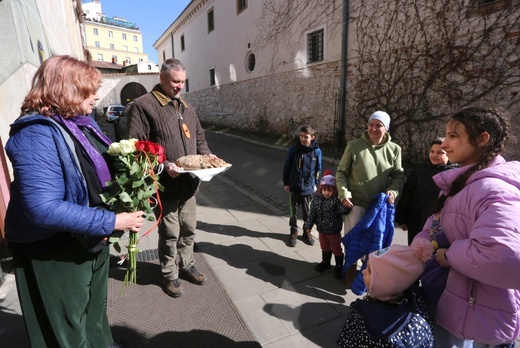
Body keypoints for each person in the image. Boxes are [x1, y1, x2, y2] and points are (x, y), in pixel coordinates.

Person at [4, 55, 145, 348]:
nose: (96, 95)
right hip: (56, 248)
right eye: (89, 89)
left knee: (92, 314)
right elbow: (43, 208)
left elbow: (94, 172)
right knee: (67, 327)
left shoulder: (79, 123)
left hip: (87, 238)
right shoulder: (36, 132)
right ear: (65, 89)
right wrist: (113, 221)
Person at [414, 107, 520, 347]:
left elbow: (505, 257)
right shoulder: (464, 181)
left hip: (474, 307)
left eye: (453, 136)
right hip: (454, 299)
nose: (444, 144)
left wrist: (450, 256)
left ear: (482, 140)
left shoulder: (492, 190)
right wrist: (422, 241)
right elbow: (441, 221)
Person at [126, 58, 219, 298]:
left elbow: (199, 138)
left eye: (182, 82)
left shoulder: (186, 108)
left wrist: (208, 158)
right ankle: (169, 274)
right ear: (162, 79)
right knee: (170, 232)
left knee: (188, 228)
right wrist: (162, 164)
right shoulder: (143, 105)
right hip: (164, 186)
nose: (179, 86)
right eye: (175, 81)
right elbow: (136, 145)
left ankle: (186, 263)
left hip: (188, 184)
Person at [336, 111, 405, 282]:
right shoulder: (354, 146)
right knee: (353, 242)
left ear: (386, 128)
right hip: (355, 203)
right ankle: (350, 274)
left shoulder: (395, 149)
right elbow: (341, 173)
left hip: (378, 208)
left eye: (378, 125)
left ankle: (367, 279)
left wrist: (393, 190)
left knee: (374, 246)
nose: (373, 128)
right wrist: (344, 193)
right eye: (371, 124)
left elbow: (398, 175)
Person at [337, 239, 435, 347]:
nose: (363, 272)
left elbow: (346, 342)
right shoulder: (416, 302)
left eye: (370, 270)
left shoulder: (364, 319)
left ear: (384, 283)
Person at [395, 137, 456, 245]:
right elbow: (407, 193)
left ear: (449, 154)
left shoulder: (454, 174)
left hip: (440, 224)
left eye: (440, 152)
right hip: (416, 219)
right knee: (415, 251)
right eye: (432, 151)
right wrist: (402, 217)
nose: (434, 155)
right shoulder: (420, 170)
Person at [304, 170, 350, 278]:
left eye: (329, 190)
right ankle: (326, 262)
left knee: (336, 248)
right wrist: (308, 225)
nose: (326, 192)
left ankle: (339, 266)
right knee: (324, 246)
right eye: (324, 190)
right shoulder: (316, 200)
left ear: (334, 190)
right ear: (321, 190)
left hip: (333, 231)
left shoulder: (336, 201)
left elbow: (344, 211)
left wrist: (347, 205)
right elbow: (312, 214)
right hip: (321, 230)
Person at [282, 125, 322, 247]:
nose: (303, 139)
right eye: (301, 136)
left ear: (312, 137)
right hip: (294, 186)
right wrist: (286, 183)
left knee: (308, 212)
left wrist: (315, 183)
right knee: (293, 211)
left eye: (306, 137)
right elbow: (287, 167)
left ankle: (306, 231)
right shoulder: (294, 149)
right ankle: (293, 230)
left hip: (308, 187)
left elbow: (318, 169)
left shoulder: (316, 151)